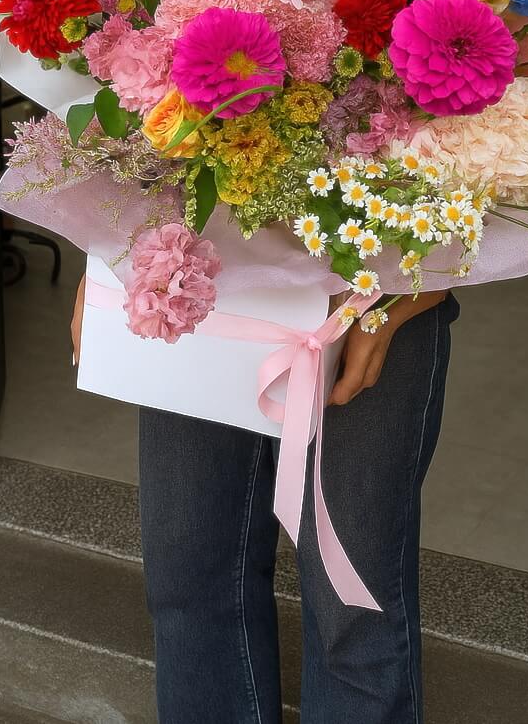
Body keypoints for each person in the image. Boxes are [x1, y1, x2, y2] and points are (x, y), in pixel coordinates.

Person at [72, 278, 457, 724]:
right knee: (189, 579)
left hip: (369, 288)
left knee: (353, 610)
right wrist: (103, 258)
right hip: (196, 288)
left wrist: (407, 294)